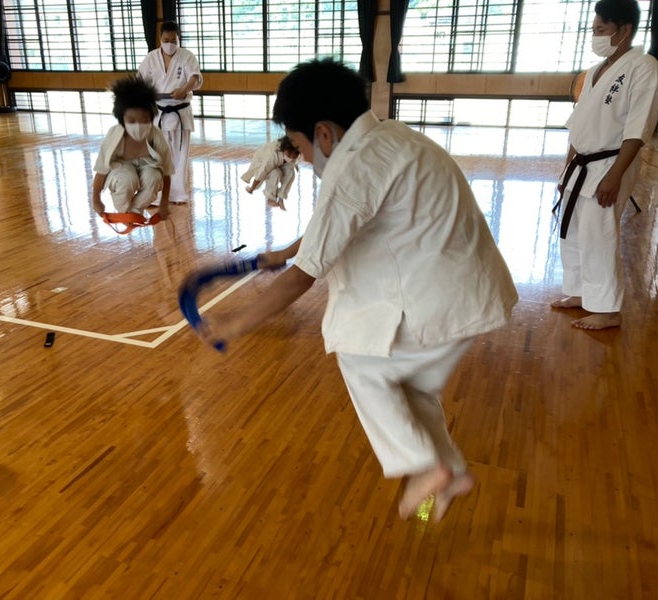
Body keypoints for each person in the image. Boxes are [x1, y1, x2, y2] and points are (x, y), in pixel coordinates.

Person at [194, 59, 518, 522]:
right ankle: (448, 471)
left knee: (360, 357)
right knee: (409, 392)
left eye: (300, 146)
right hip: (472, 293)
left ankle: (426, 467)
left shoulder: (353, 168)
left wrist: (235, 323)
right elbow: (338, 223)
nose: (304, 158)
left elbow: (304, 276)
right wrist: (283, 251)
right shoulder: (392, 138)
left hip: (438, 299)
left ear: (324, 133)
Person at [551, 0, 658, 330]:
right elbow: (579, 125)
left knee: (599, 235)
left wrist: (615, 176)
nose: (595, 36)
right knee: (574, 231)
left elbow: (638, 129)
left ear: (624, 29)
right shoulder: (595, 71)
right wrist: (567, 168)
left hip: (611, 163)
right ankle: (580, 292)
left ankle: (607, 310)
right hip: (582, 164)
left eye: (601, 29)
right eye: (594, 30)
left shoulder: (644, 68)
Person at [92, 76, 175, 221]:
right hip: (121, 170)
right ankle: (126, 213)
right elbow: (101, 170)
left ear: (151, 117)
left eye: (144, 120)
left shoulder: (155, 135)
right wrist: (96, 200)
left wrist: (164, 204)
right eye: (131, 120)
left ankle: (133, 213)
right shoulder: (114, 135)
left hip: (148, 166)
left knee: (153, 177)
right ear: (122, 119)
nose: (138, 125)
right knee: (127, 178)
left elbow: (166, 172)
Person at [137, 21, 203, 205]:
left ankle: (177, 194)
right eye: (166, 40)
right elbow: (140, 80)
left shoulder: (186, 56)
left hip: (180, 112)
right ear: (160, 38)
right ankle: (155, 195)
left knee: (180, 155)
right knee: (156, 155)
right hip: (158, 112)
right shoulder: (151, 58)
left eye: (173, 40)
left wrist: (184, 89)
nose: (170, 43)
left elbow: (194, 77)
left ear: (178, 38)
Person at [241, 136, 301, 210]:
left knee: (291, 173)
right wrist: (252, 188)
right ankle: (270, 198)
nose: (292, 157)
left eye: (295, 154)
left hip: (280, 163)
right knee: (276, 173)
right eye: (289, 154)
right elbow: (261, 173)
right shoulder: (272, 155)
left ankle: (281, 199)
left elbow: (291, 164)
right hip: (262, 164)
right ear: (284, 149)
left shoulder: (294, 150)